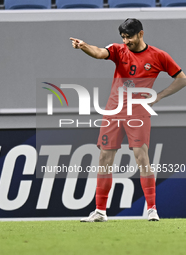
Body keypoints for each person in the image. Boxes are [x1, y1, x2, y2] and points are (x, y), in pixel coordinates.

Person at [70, 18, 186, 222]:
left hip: (138, 112)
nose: (126, 41)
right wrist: (84, 46)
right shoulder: (118, 50)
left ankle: (151, 209)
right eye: (123, 37)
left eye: (129, 37)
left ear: (141, 34)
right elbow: (99, 52)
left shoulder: (159, 56)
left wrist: (159, 96)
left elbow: (181, 78)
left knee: (142, 158)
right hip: (113, 111)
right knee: (104, 160)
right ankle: (100, 211)